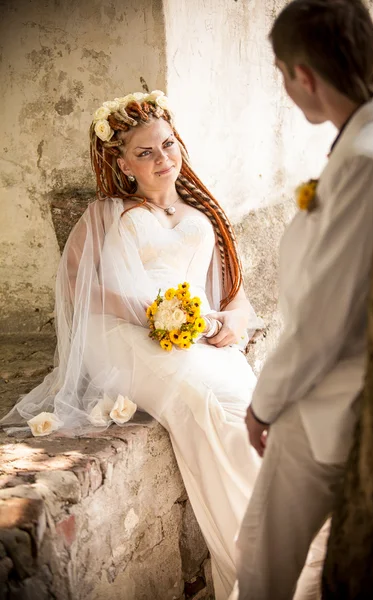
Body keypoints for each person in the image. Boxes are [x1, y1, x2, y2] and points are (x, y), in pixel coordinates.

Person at [1, 89, 264, 599]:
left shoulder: (202, 215)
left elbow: (238, 296)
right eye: (145, 152)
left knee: (249, 406)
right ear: (122, 163)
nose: (163, 158)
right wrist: (156, 315)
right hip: (124, 337)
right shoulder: (104, 215)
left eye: (168, 145)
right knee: (207, 404)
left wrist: (234, 320)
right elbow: (78, 288)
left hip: (195, 337)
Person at [235, 1, 373, 599]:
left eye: (281, 72)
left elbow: (326, 318)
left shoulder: (366, 161)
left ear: (303, 75)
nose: (284, 86)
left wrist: (264, 405)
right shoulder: (368, 133)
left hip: (329, 396)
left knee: (262, 558)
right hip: (335, 385)